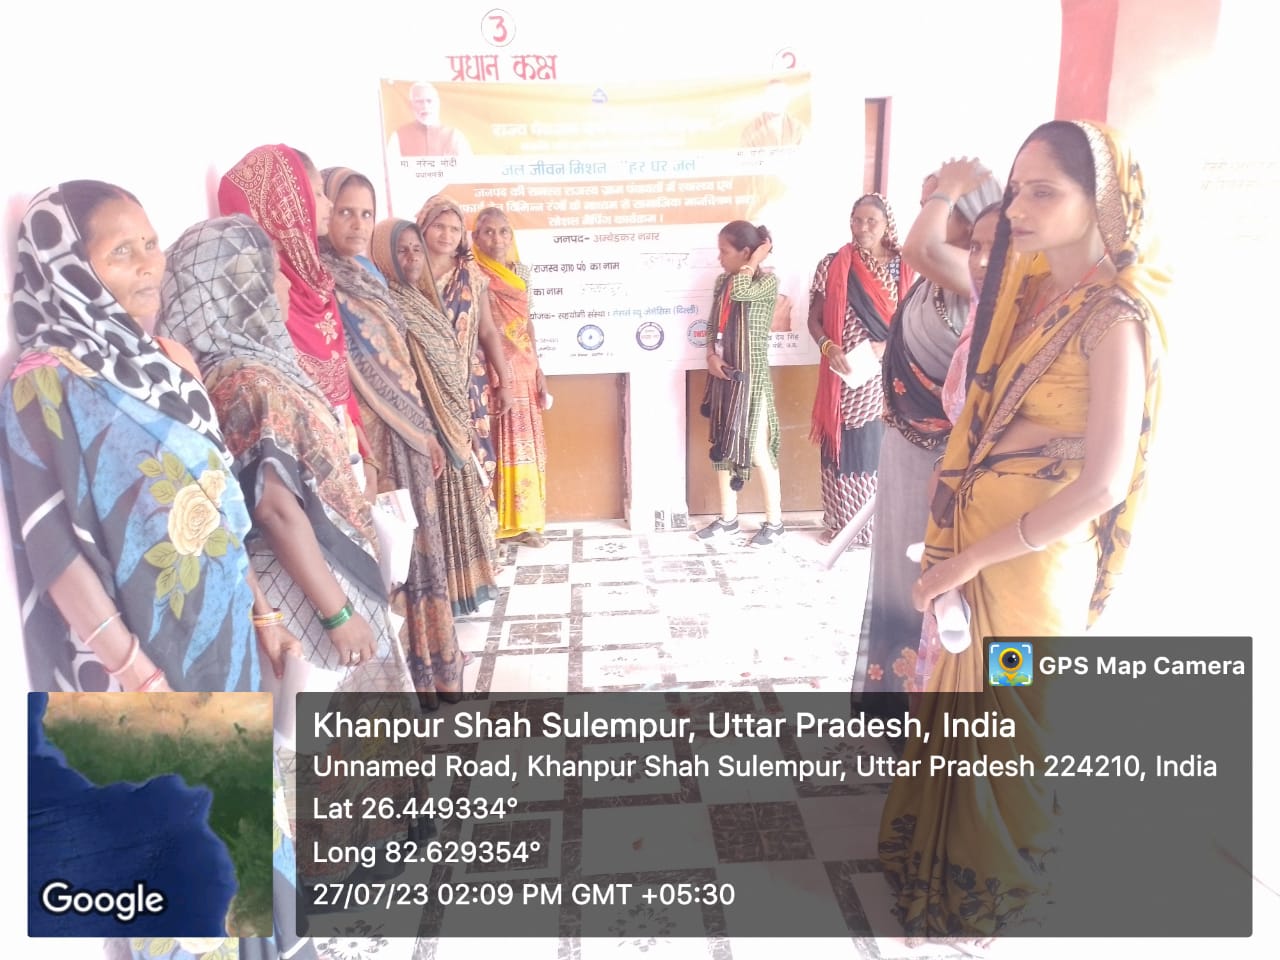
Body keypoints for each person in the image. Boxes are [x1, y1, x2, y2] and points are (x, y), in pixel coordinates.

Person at [880, 120, 1168, 942]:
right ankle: (946, 865)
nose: (1019, 209)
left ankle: (993, 886)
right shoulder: (1030, 294)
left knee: (1011, 726)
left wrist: (965, 559)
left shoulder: (1115, 318)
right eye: (1015, 191)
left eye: (1045, 192)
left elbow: (1103, 482)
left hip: (1030, 570)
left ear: (1102, 202)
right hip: (978, 551)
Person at [1, 181, 296, 695]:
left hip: (223, 634)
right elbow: (54, 549)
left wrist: (262, 612)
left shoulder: (169, 359)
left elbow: (216, 501)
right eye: (121, 251)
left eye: (151, 244)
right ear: (66, 267)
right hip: (130, 666)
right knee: (163, 753)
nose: (147, 265)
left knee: (241, 749)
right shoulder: (43, 383)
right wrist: (140, 675)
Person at [855, 161, 1002, 707]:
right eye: (924, 204)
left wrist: (953, 185)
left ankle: (937, 708)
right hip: (906, 451)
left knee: (939, 586)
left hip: (947, 464)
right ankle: (896, 699)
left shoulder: (979, 274)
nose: (928, 214)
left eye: (939, 204)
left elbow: (917, 247)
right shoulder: (938, 281)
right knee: (899, 574)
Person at [319, 166, 467, 707]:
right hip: (369, 437)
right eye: (344, 211)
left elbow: (397, 359)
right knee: (388, 556)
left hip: (409, 430)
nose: (357, 224)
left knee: (419, 546)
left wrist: (423, 429)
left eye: (366, 213)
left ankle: (437, 666)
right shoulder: (322, 276)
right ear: (323, 212)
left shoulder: (367, 273)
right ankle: (407, 677)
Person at [216, 144, 377, 493]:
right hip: (303, 480)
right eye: (316, 193)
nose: (328, 204)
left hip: (346, 457)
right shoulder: (262, 299)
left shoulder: (315, 283)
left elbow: (339, 381)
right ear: (284, 204)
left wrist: (364, 454)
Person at [370, 215, 504, 616]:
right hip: (420, 426)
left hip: (454, 418)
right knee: (431, 516)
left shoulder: (426, 297)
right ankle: (435, 604)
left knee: (459, 504)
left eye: (416, 250)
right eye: (402, 251)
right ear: (383, 255)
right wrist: (427, 426)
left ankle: (462, 593)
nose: (412, 258)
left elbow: (463, 348)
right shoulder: (386, 302)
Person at [808, 194, 914, 547]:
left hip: (886, 372)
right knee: (842, 444)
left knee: (873, 446)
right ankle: (841, 522)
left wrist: (886, 346)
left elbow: (913, 320)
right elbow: (814, 320)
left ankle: (872, 528)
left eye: (872, 221)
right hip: (841, 374)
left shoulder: (905, 267)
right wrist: (829, 347)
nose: (863, 227)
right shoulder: (833, 264)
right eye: (857, 220)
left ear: (887, 225)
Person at [694, 221, 784, 547]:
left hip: (752, 381)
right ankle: (728, 519)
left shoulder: (766, 282)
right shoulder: (722, 282)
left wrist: (756, 260)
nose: (719, 258)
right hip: (723, 376)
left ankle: (775, 523)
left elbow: (742, 292)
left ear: (746, 252)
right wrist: (710, 356)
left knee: (757, 450)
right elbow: (711, 325)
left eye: (724, 251)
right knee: (722, 447)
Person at [471, 206, 550, 548]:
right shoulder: (471, 273)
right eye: (488, 232)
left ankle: (526, 522)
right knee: (494, 443)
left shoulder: (521, 273)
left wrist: (539, 368)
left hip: (525, 370)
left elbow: (527, 322)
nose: (497, 239)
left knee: (524, 444)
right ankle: (494, 523)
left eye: (503, 231)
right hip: (489, 370)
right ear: (475, 238)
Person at [388, 81, 472, 158]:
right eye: (419, 101)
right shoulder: (398, 136)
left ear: (437, 103)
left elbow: (467, 167)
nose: (425, 106)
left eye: (429, 101)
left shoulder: (455, 136)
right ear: (411, 105)